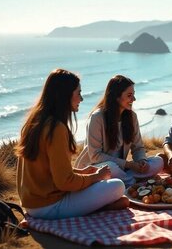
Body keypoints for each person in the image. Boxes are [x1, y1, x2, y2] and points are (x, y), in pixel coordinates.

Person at [15, 69, 128, 220]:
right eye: (78, 93)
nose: (81, 98)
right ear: (65, 95)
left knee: (113, 190)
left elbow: (49, 170)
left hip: (32, 204)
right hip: (49, 206)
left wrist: (83, 172)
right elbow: (65, 183)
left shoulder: (35, 121)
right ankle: (100, 207)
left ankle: (99, 205)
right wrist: (96, 177)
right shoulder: (56, 128)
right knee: (117, 186)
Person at [75, 75, 163, 186]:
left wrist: (142, 162)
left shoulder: (132, 116)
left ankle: (127, 181)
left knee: (158, 161)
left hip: (122, 169)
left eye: (133, 95)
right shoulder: (97, 117)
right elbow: (95, 156)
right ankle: (133, 183)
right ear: (116, 97)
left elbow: (138, 147)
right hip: (96, 168)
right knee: (111, 167)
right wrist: (128, 165)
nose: (134, 99)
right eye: (129, 95)